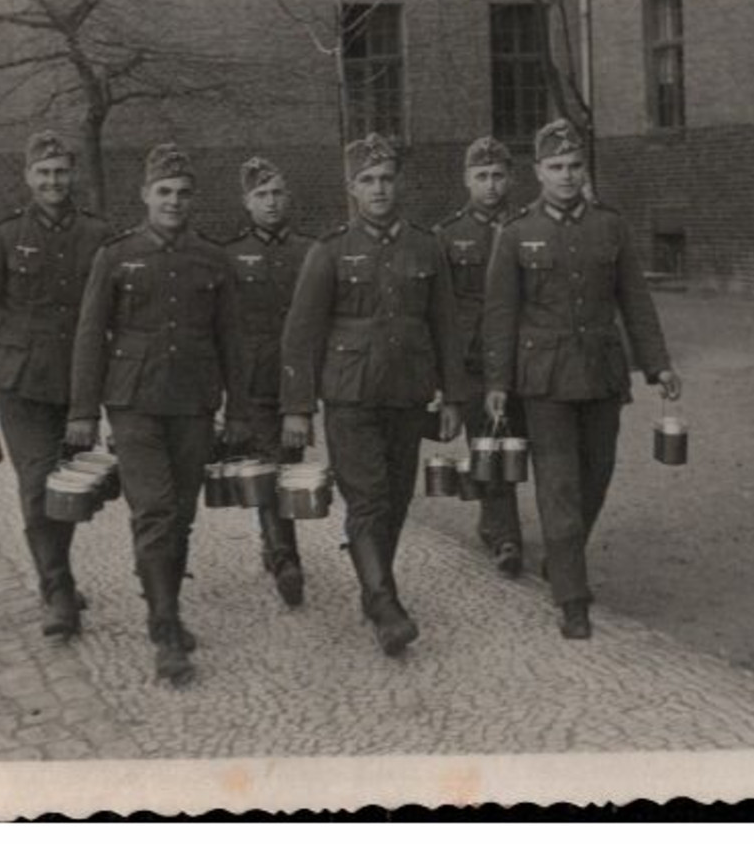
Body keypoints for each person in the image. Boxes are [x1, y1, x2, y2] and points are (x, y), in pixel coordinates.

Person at [482, 119, 681, 640]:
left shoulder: (609, 227)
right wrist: (498, 381)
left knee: (598, 472)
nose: (566, 176)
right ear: (537, 173)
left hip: (601, 372)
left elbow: (634, 300)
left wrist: (658, 364)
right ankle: (572, 597)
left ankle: (561, 557)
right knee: (559, 483)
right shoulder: (517, 233)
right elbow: (501, 315)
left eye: (574, 167)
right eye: (556, 168)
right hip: (544, 379)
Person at [66, 143, 249, 686]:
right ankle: (166, 627)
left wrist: (238, 409)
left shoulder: (213, 259)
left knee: (182, 515)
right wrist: (82, 411)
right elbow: (89, 337)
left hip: (193, 402)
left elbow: (233, 341)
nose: (174, 201)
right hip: (134, 402)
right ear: (144, 195)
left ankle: (162, 604)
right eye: (164, 192)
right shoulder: (116, 256)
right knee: (155, 511)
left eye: (183, 193)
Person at [279, 133, 465, 657]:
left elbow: (446, 325)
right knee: (367, 499)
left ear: (398, 182)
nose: (379, 189)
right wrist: (297, 407)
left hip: (408, 392)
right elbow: (301, 333)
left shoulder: (427, 247)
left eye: (386, 178)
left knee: (398, 499)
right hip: (350, 395)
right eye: (368, 180)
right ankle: (385, 604)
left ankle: (372, 584)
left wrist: (453, 396)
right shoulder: (331, 250)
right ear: (351, 188)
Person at [0, 130, 111, 640]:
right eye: (44, 173)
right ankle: (58, 591)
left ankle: (54, 573)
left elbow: (112, 315)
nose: (53, 181)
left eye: (61, 172)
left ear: (71, 174)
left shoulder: (97, 235)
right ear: (28, 177)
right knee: (37, 487)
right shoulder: (6, 234)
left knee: (69, 490)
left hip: (79, 383)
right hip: (21, 382)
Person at [217, 157, 315, 607]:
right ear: (246, 202)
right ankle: (284, 556)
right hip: (253, 379)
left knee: (288, 463)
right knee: (269, 462)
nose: (271, 202)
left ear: (288, 196)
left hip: (296, 380)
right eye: (261, 195)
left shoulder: (310, 252)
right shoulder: (231, 256)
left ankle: (274, 544)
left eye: (277, 193)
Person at [433, 135, 526, 578]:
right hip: (472, 358)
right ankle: (506, 534)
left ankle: (494, 520)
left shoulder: (527, 227)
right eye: (482, 177)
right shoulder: (449, 236)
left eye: (498, 176)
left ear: (512, 178)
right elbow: (441, 310)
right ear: (466, 180)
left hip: (523, 354)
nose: (491, 186)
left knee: (523, 441)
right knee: (488, 441)